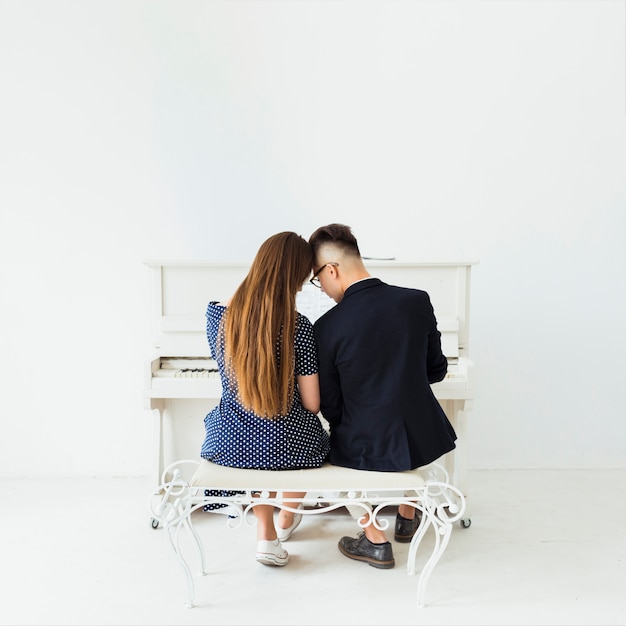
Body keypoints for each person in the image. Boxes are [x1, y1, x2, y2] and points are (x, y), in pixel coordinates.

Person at [308, 223, 456, 569]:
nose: (323, 289)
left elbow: (331, 404)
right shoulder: (416, 301)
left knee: (325, 453)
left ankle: (375, 540)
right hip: (421, 434)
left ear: (331, 270)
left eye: (318, 280)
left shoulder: (326, 326)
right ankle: (407, 514)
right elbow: (436, 370)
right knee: (413, 415)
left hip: (362, 440)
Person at [200, 231, 330, 567]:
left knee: (256, 437)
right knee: (308, 436)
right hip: (289, 445)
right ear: (295, 278)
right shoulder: (298, 327)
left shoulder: (218, 317)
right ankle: (286, 517)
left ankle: (266, 532)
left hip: (230, 443)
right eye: (301, 280)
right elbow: (313, 404)